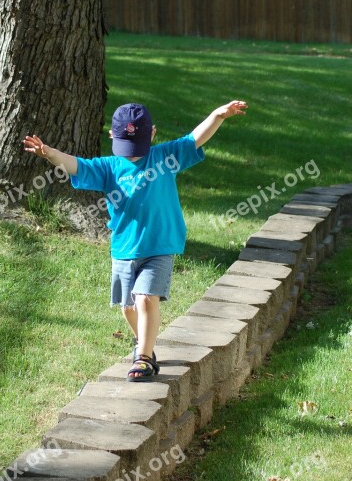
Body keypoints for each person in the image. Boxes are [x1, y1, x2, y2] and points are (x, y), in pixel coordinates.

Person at [23, 100, 247, 381]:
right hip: (124, 249)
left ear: (152, 134)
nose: (131, 155)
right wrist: (51, 154)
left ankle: (143, 358)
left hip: (159, 246)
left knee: (144, 298)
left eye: (137, 147)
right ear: (112, 137)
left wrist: (217, 116)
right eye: (126, 147)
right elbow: (76, 165)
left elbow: (193, 139)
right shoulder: (108, 167)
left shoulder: (164, 158)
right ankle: (145, 347)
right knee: (127, 307)